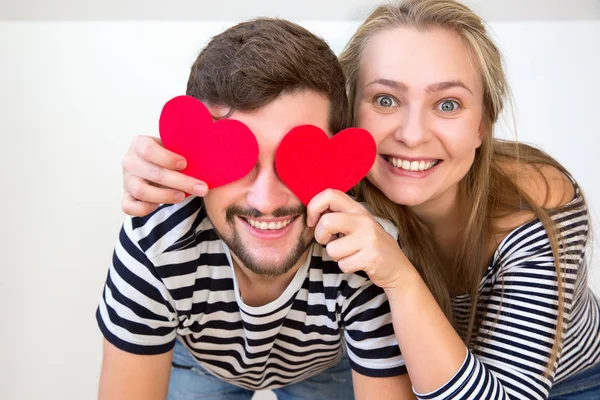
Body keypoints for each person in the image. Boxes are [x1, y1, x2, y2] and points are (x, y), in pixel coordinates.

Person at [120, 0, 600, 399]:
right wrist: (158, 165)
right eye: (386, 99)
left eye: (448, 104)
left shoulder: (534, 204)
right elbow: (244, 134)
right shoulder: (328, 181)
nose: (411, 136)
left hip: (566, 381)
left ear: (481, 124)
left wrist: (398, 277)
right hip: (401, 373)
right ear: (348, 121)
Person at [97, 17, 414, 400]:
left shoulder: (365, 252)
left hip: (327, 365)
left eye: (299, 160)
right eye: (236, 158)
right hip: (202, 363)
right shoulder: (155, 245)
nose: (266, 201)